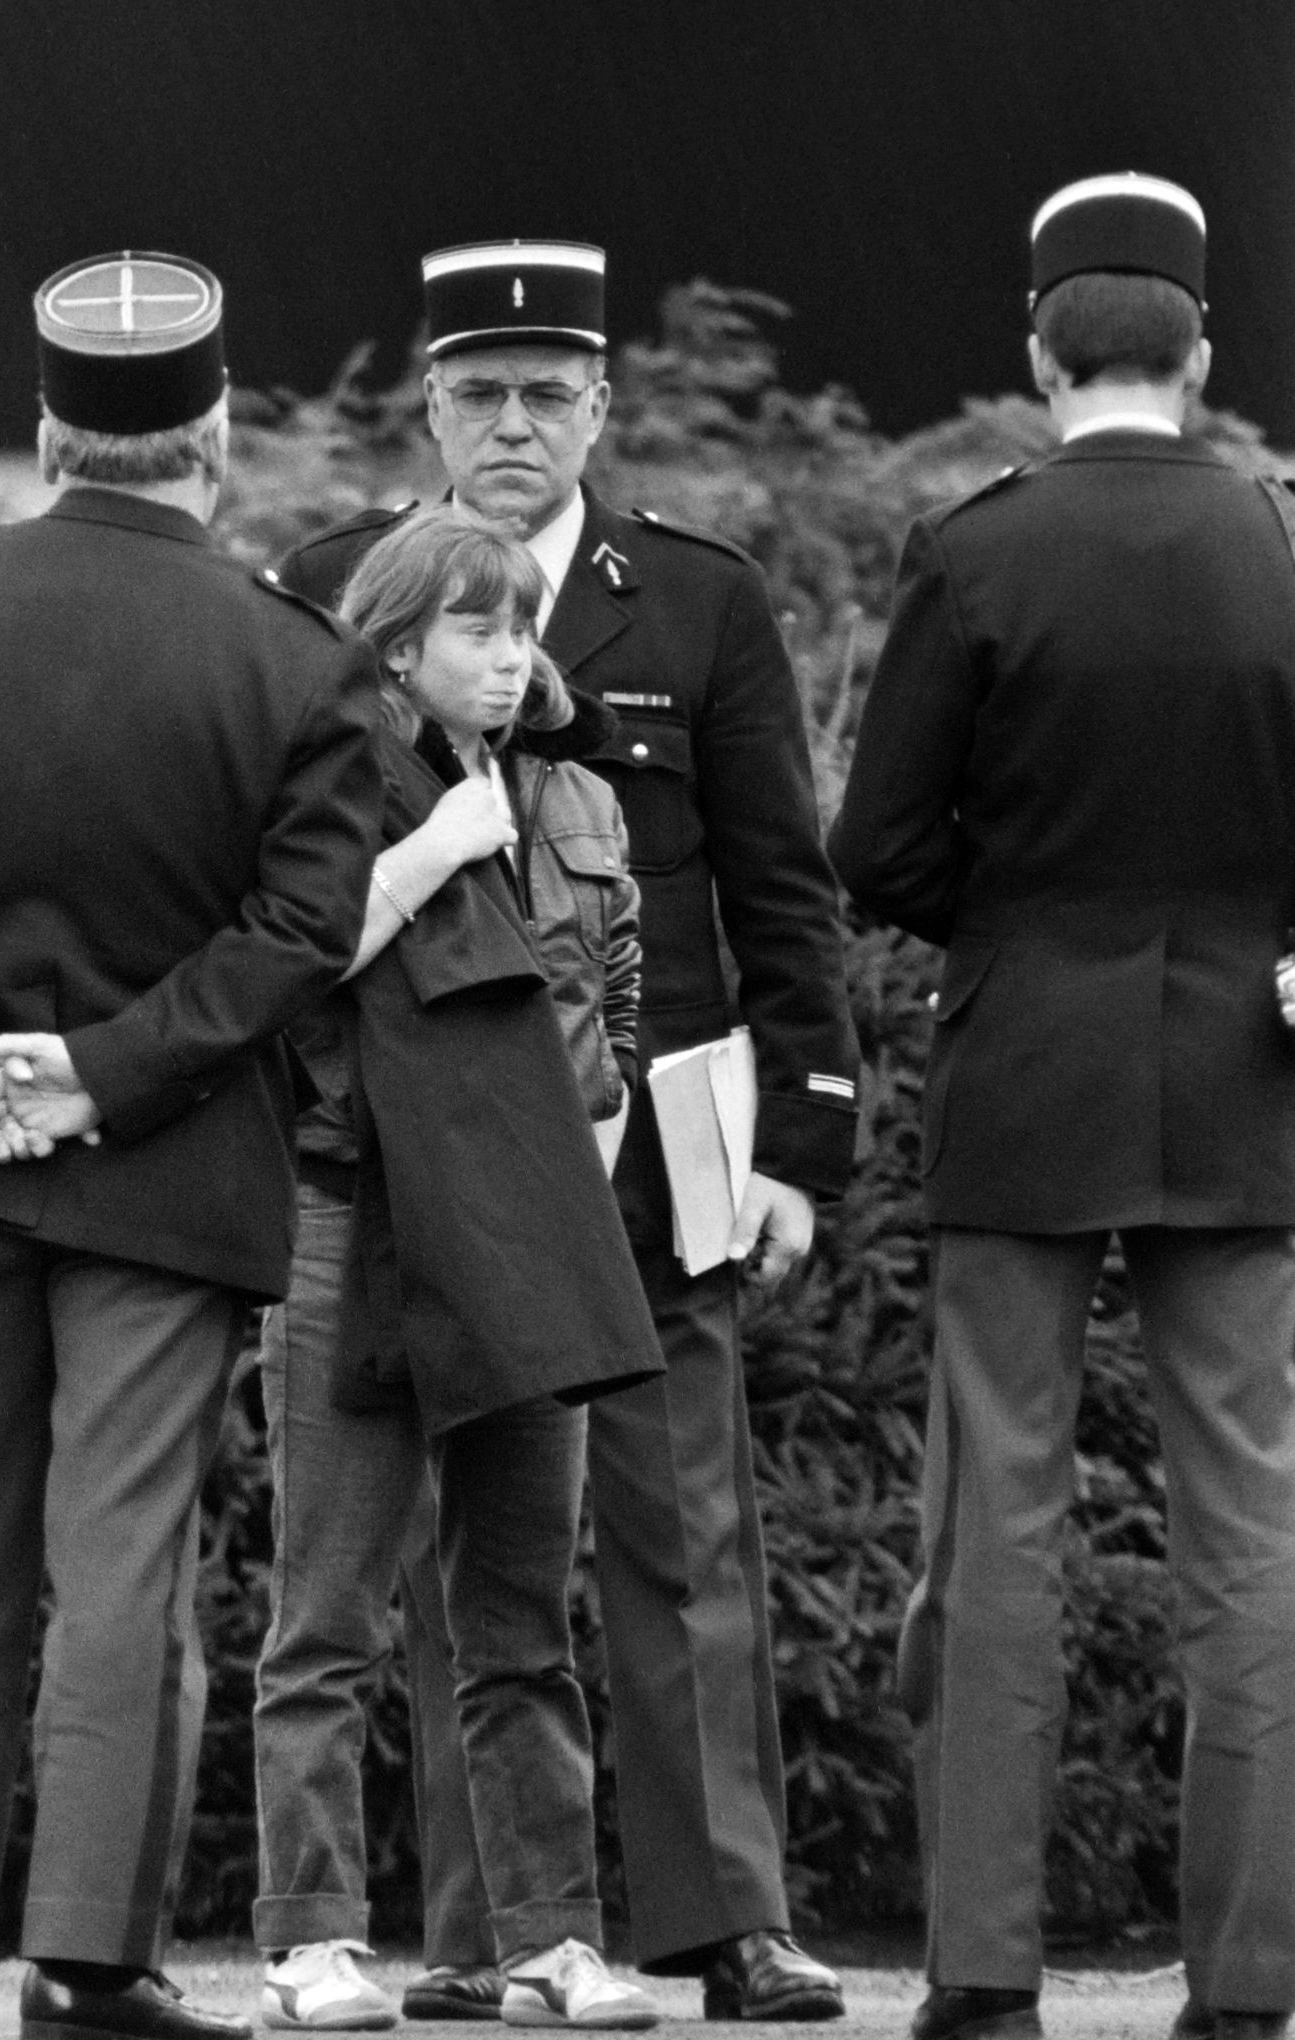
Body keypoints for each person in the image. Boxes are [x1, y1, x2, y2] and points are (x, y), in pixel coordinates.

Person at [0, 252, 384, 2040]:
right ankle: (91, 1966)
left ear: (49, 434)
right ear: (218, 434)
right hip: (166, 1173)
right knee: (120, 1577)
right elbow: (300, 930)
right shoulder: (295, 657)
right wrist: (103, 1072)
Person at [282, 242, 860, 2022]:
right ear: (428, 406)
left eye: (548, 394)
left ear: (601, 408)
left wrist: (800, 1142)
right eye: (478, 393)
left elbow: (778, 888)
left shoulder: (693, 597)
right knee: (461, 1562)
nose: (512, 424)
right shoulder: (328, 589)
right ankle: (490, 1939)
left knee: (684, 1537)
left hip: (645, 1139)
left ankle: (729, 1924)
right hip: (419, 1145)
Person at [829, 173, 1295, 2040]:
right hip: (1246, 1078)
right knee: (1247, 1532)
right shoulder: (1282, 546)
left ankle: (982, 1976)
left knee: (996, 1531)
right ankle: (1249, 1986)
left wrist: (1017, 926)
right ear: (1204, 351)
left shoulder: (974, 551)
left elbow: (877, 847)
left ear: (1036, 352)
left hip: (1024, 1066)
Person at [255, 510, 664, 2033]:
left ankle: (550, 1944)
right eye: (477, 630)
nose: (509, 658)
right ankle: (310, 1945)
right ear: (396, 641)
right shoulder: (326, 778)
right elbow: (282, 967)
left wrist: (598, 1140)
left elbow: (615, 990)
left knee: (519, 1620)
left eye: (521, 628)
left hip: (526, 1223)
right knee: (329, 1611)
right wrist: (430, 851)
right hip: (350, 1213)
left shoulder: (563, 784)